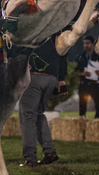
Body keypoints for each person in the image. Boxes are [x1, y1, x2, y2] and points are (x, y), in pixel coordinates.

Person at [18, 37, 66, 167]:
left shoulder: (37, 28)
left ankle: (30, 158)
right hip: (51, 77)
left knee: (27, 116)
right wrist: (61, 78)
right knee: (38, 114)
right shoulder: (57, 33)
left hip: (33, 75)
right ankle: (49, 151)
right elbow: (63, 53)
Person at [76, 36, 99, 119]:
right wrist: (82, 73)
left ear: (92, 44)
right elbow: (74, 71)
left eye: (88, 43)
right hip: (83, 84)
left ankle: (96, 123)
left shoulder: (98, 57)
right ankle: (82, 125)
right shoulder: (80, 57)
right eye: (84, 43)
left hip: (94, 84)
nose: (86, 45)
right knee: (82, 107)